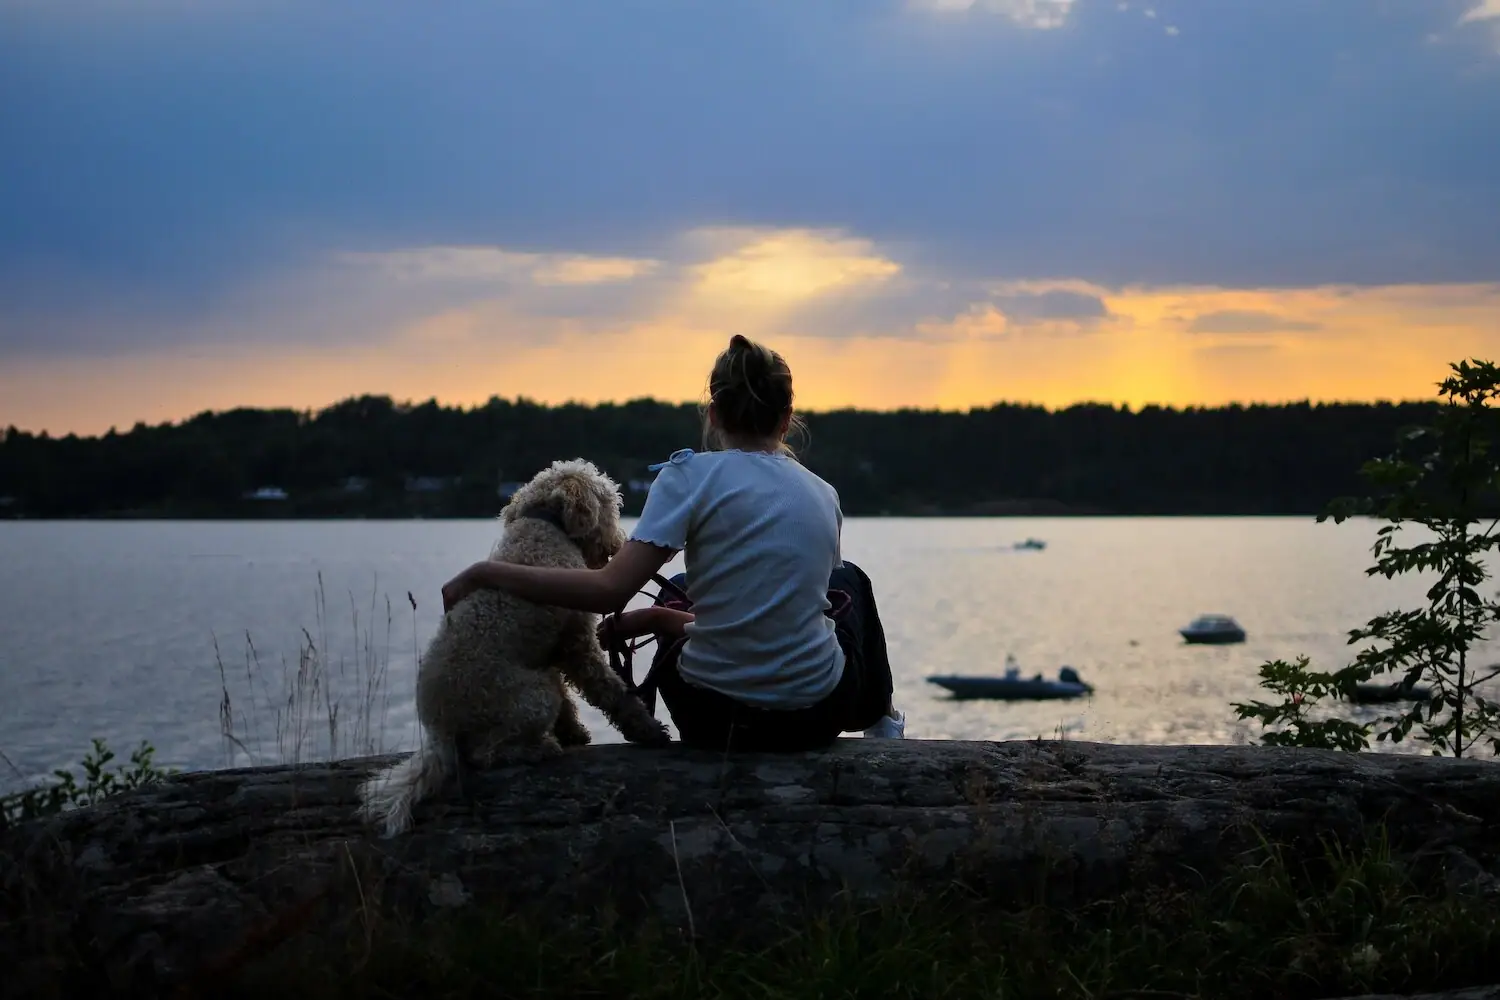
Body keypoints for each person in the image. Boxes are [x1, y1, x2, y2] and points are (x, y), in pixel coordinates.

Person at [439, 334, 905, 751]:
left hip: (715, 722)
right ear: (786, 420)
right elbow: (772, 607)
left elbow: (607, 592)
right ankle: (881, 721)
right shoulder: (823, 493)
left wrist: (488, 572)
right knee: (849, 581)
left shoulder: (688, 475)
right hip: (816, 720)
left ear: (714, 413)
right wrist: (662, 617)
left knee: (676, 585)